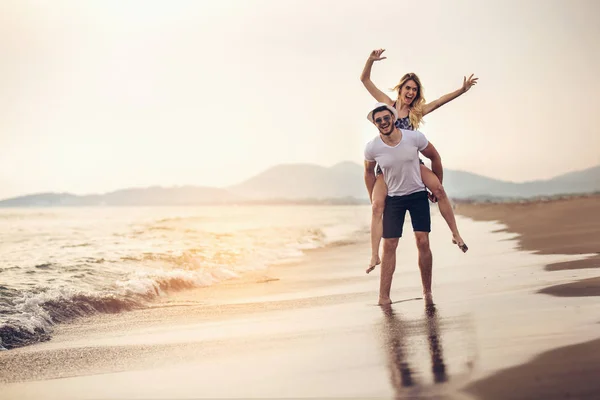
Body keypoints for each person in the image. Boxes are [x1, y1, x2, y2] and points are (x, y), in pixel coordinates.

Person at [361, 48, 477, 273]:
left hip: (413, 164)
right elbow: (365, 80)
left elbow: (441, 101)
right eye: (408, 88)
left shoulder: (417, 112)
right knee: (377, 206)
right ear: (401, 88)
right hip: (387, 169)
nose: (411, 92)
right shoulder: (387, 105)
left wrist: (462, 90)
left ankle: (455, 234)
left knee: (439, 190)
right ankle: (374, 255)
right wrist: (370, 61)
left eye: (415, 89)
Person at [364, 102, 442, 306]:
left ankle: (427, 292)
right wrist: (373, 196)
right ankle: (383, 297)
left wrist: (437, 184)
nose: (382, 122)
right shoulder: (372, 147)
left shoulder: (413, 138)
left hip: (416, 192)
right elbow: (368, 172)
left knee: (423, 241)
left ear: (393, 118)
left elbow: (434, 156)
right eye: (378, 120)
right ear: (375, 124)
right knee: (389, 244)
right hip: (394, 198)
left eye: (385, 118)